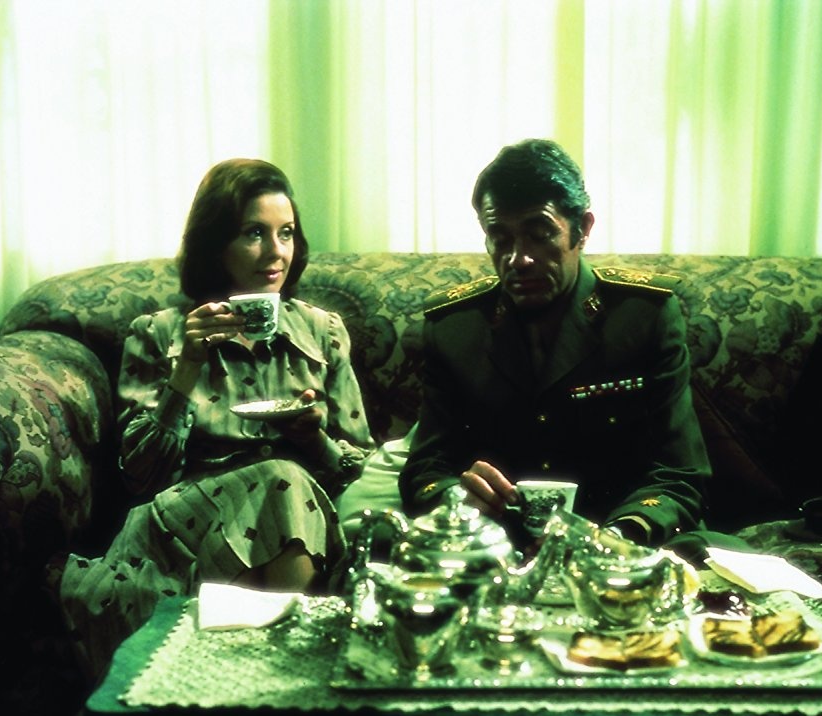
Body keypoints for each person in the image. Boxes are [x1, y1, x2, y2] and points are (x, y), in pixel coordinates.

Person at [59, 158, 373, 675]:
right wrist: (187, 366)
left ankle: (253, 681)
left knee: (287, 481)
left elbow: (360, 469)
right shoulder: (159, 333)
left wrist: (314, 440)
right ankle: (292, 675)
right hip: (188, 528)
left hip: (302, 519)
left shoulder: (323, 332)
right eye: (254, 233)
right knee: (283, 480)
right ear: (215, 244)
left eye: (287, 233)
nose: (276, 252)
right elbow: (141, 475)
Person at [399, 138, 711, 552]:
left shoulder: (641, 316)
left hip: (622, 543)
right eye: (500, 238)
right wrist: (457, 499)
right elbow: (425, 468)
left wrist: (617, 538)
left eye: (539, 234)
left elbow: (678, 473)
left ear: (582, 229)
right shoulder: (455, 328)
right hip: (494, 547)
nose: (518, 259)